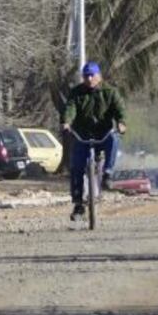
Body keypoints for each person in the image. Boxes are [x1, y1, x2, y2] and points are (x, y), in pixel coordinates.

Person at [60, 61, 127, 220]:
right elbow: (70, 108)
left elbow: (120, 110)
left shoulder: (110, 92)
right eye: (86, 76)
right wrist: (67, 122)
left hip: (102, 134)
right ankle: (78, 205)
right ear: (83, 77)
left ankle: (108, 174)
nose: (89, 78)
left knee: (114, 138)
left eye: (92, 75)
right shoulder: (76, 93)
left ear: (99, 76)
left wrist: (121, 122)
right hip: (82, 135)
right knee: (76, 167)